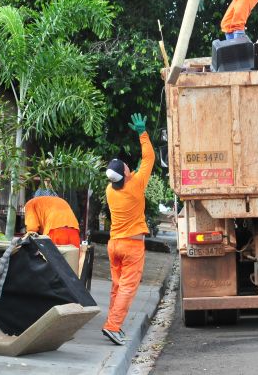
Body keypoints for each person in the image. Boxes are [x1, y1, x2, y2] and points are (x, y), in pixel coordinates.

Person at [101, 113, 154, 346]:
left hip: (114, 245)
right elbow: (149, 157)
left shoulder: (110, 190)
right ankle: (113, 326)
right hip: (132, 246)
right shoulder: (135, 185)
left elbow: (123, 173)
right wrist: (142, 133)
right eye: (125, 166)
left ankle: (112, 324)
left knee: (117, 287)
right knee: (127, 288)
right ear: (125, 174)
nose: (128, 165)